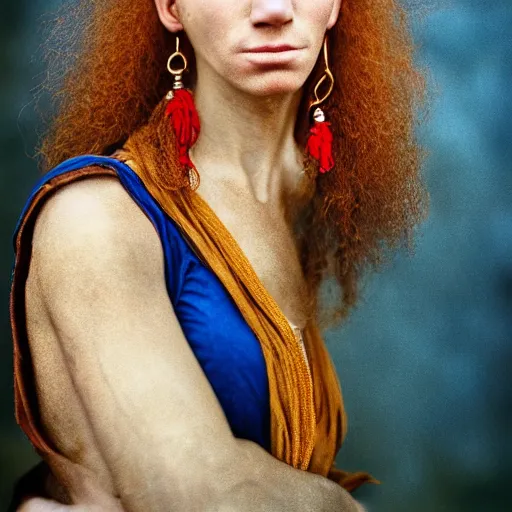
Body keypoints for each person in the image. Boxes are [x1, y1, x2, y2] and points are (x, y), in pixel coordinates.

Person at [8, 0, 429, 510]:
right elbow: (203, 497)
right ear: (170, 7)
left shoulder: (298, 198)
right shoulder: (96, 216)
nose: (274, 9)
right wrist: (344, 506)